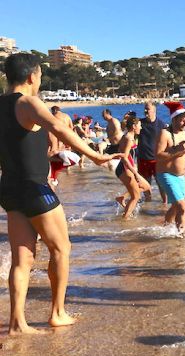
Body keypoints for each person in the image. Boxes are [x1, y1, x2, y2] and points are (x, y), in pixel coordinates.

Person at [0, 53, 117, 334]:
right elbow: (59, 128)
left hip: (9, 188)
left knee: (22, 258)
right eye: (39, 75)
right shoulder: (27, 102)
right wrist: (96, 156)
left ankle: (17, 322)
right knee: (61, 249)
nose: (39, 80)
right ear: (31, 76)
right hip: (34, 187)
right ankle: (57, 312)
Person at [156, 102, 185, 235]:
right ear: (174, 119)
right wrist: (177, 149)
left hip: (181, 177)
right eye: (182, 120)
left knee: (176, 207)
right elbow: (158, 155)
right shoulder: (164, 133)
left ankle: (165, 227)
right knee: (182, 207)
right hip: (166, 174)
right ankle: (183, 235)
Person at [114, 116, 152, 219]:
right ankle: (125, 219)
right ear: (134, 126)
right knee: (136, 197)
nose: (141, 128)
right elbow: (125, 158)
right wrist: (135, 173)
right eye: (140, 126)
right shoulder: (129, 139)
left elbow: (121, 151)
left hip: (127, 167)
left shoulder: (127, 136)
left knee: (146, 187)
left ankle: (122, 198)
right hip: (125, 168)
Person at [138, 101, 167, 202]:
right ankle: (148, 206)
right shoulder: (139, 123)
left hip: (157, 161)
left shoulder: (161, 125)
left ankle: (165, 205)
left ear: (154, 110)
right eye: (145, 109)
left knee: (161, 185)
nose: (145, 111)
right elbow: (126, 129)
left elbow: (167, 142)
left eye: (148, 109)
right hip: (143, 159)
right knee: (146, 186)